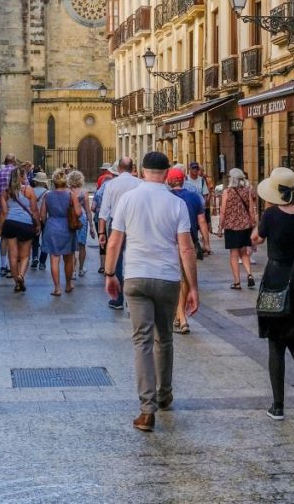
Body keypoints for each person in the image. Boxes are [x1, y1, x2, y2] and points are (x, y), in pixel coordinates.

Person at [104, 151, 198, 432]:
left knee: (141, 341)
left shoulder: (128, 199)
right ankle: (164, 393)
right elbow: (186, 248)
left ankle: (147, 410)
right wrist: (192, 287)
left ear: (142, 171)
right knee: (165, 338)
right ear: (168, 172)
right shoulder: (176, 203)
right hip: (168, 278)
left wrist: (110, 274)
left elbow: (114, 241)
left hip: (135, 276)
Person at [251, 167, 294, 422]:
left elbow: (256, 239)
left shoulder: (270, 216)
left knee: (276, 341)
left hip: (276, 280)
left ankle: (278, 406)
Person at [167, 167, 210, 335]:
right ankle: (181, 317)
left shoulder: (167, 198)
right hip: (189, 242)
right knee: (184, 279)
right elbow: (202, 222)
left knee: (175, 280)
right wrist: (206, 242)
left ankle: (180, 317)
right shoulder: (194, 197)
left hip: (171, 243)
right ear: (183, 180)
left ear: (169, 181)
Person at [98, 157, 140, 310]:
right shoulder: (139, 184)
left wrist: (101, 232)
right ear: (132, 168)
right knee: (133, 261)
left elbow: (104, 212)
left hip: (116, 225)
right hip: (135, 225)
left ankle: (118, 298)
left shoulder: (111, 185)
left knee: (117, 261)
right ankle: (132, 299)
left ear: (119, 169)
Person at [39, 170, 82, 296]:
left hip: (52, 227)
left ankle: (57, 288)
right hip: (67, 227)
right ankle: (68, 284)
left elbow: (42, 215)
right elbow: (79, 213)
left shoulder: (47, 196)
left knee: (54, 259)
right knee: (68, 258)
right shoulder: (71, 195)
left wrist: (48, 223)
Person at [0, 167, 39, 293]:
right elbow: (34, 210)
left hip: (10, 224)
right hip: (26, 224)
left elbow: (4, 212)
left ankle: (17, 283)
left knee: (13, 255)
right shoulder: (29, 190)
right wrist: (38, 225)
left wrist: (0, 228)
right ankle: (21, 275)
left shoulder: (6, 192)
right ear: (21, 177)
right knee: (25, 255)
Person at [218, 168, 258, 290]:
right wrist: (253, 224)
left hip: (231, 227)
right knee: (244, 252)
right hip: (245, 226)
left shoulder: (227, 192)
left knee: (234, 255)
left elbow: (223, 211)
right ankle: (249, 274)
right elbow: (251, 209)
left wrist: (220, 227)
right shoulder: (248, 190)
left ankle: (237, 282)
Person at [0, 154, 18, 277]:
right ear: (14, 161)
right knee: (15, 239)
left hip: (2, 211)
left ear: (5, 161)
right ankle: (13, 267)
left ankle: (3, 266)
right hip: (16, 210)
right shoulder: (18, 173)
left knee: (4, 238)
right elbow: (26, 190)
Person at [68, 170, 91, 277]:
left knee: (72, 246)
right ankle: (81, 269)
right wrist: (91, 226)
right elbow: (88, 210)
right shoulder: (84, 192)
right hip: (82, 219)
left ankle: (73, 271)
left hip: (71, 218)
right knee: (82, 246)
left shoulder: (68, 192)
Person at [30, 172, 50, 270]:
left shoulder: (31, 191)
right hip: (45, 218)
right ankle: (42, 262)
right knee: (45, 240)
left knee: (35, 240)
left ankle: (34, 257)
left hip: (33, 218)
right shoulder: (47, 193)